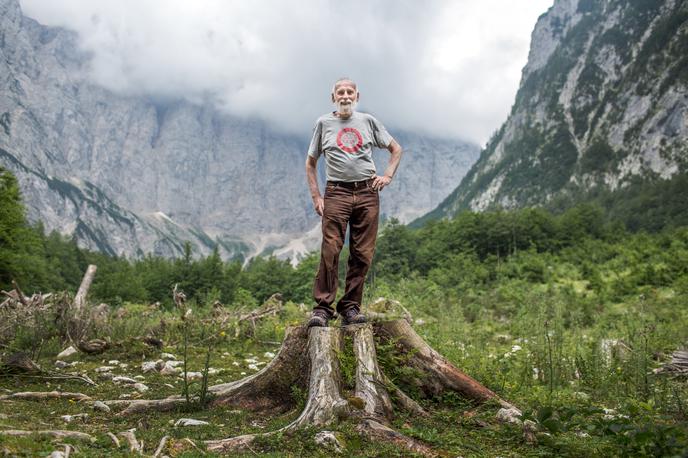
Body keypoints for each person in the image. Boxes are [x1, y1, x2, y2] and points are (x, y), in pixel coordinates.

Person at [305, 77, 403, 327]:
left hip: (368, 192)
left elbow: (396, 149)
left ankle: (350, 307)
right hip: (336, 192)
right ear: (333, 97)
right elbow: (311, 162)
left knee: (363, 253)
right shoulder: (323, 123)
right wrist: (317, 196)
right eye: (341, 92)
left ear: (357, 97)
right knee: (331, 248)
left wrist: (388, 175)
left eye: (350, 92)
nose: (346, 96)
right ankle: (322, 309)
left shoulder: (368, 121)